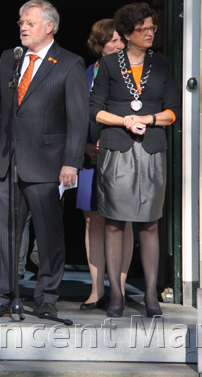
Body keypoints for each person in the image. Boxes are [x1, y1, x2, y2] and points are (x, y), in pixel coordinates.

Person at [0, 0, 88, 318]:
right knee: (5, 233)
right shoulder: (8, 59)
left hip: (47, 162)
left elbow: (78, 118)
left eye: (30, 22)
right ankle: (0, 296)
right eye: (21, 22)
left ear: (49, 26)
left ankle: (47, 296)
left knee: (49, 232)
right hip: (5, 162)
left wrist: (71, 161)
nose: (23, 27)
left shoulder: (69, 63)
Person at [89, 2, 181, 318]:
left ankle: (151, 296)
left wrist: (152, 118)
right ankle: (115, 295)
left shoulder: (163, 65)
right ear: (128, 33)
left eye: (152, 28)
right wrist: (124, 120)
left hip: (152, 149)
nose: (150, 33)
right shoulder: (110, 65)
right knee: (114, 223)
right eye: (144, 29)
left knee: (150, 224)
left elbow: (174, 110)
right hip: (117, 150)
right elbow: (95, 109)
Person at [76, 19, 133, 310]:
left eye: (122, 40)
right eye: (113, 41)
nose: (120, 45)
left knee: (122, 219)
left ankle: (118, 290)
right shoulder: (86, 73)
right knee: (92, 220)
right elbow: (76, 114)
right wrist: (84, 144)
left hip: (124, 155)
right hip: (91, 157)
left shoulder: (133, 74)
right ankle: (96, 290)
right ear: (100, 45)